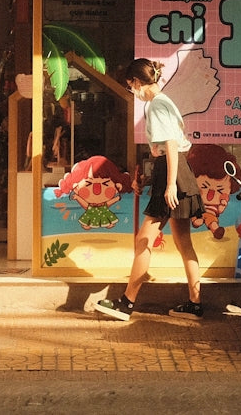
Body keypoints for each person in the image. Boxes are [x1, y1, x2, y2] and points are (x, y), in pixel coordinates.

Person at [96, 58, 206, 321]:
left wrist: (168, 185)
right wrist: (150, 178)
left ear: (136, 82)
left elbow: (169, 144)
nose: (131, 91)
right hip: (179, 172)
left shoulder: (156, 104)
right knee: (183, 242)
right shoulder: (165, 102)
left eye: (130, 85)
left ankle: (126, 303)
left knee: (144, 239)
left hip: (172, 173)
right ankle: (195, 304)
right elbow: (168, 148)